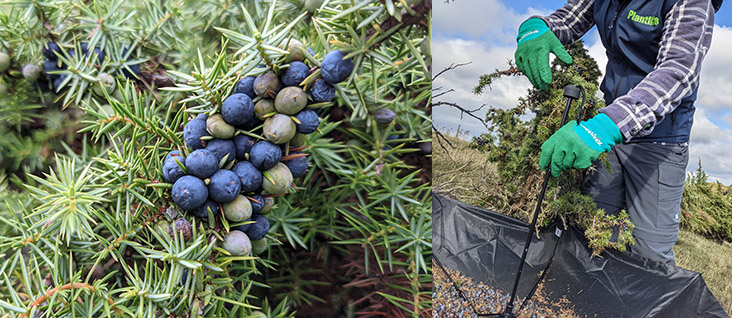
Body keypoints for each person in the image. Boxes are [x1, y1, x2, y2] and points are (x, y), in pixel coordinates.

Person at [514, 0, 722, 266]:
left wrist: (606, 126)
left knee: (649, 255)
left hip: (660, 140)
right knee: (591, 229)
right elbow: (569, 18)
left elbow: (678, 71)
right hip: (609, 129)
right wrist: (536, 27)